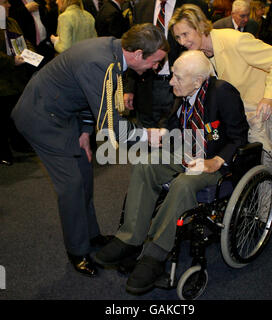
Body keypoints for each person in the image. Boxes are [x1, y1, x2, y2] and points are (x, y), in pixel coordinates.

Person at [11, 23, 169, 277]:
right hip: (40, 118)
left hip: (64, 112)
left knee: (84, 173)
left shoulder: (114, 53)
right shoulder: (100, 63)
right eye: (156, 62)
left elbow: (90, 96)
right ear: (139, 54)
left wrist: (85, 131)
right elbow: (111, 126)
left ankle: (92, 235)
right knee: (71, 185)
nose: (156, 68)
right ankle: (77, 250)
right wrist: (145, 136)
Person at [94, 50, 249, 295]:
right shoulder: (182, 92)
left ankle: (155, 254)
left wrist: (217, 161)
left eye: (176, 77)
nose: (170, 81)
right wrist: (161, 134)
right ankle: (130, 238)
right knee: (146, 165)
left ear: (197, 81)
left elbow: (239, 136)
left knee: (184, 185)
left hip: (214, 162)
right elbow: (172, 123)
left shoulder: (223, 93)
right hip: (185, 151)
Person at [169, 3, 272, 186]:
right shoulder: (200, 54)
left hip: (256, 110)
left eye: (186, 34)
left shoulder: (235, 41)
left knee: (265, 168)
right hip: (233, 113)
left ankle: (266, 209)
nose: (182, 42)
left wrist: (269, 97)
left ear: (200, 26)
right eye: (178, 37)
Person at [123, 0, 210, 129]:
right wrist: (129, 88)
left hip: (180, 85)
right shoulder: (142, 7)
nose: (182, 41)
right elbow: (134, 48)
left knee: (176, 134)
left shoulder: (193, 4)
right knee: (147, 137)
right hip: (146, 85)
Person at [0, 0, 35, 166]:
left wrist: (30, 54)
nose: (8, 5)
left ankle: (19, 144)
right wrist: (12, 61)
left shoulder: (11, 22)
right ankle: (4, 152)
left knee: (17, 114)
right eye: (4, 2)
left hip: (17, 78)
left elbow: (23, 40)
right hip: (3, 79)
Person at [9, 0, 55, 66]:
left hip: (45, 43)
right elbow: (10, 20)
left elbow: (45, 19)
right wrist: (25, 9)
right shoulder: (13, 3)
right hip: (29, 46)